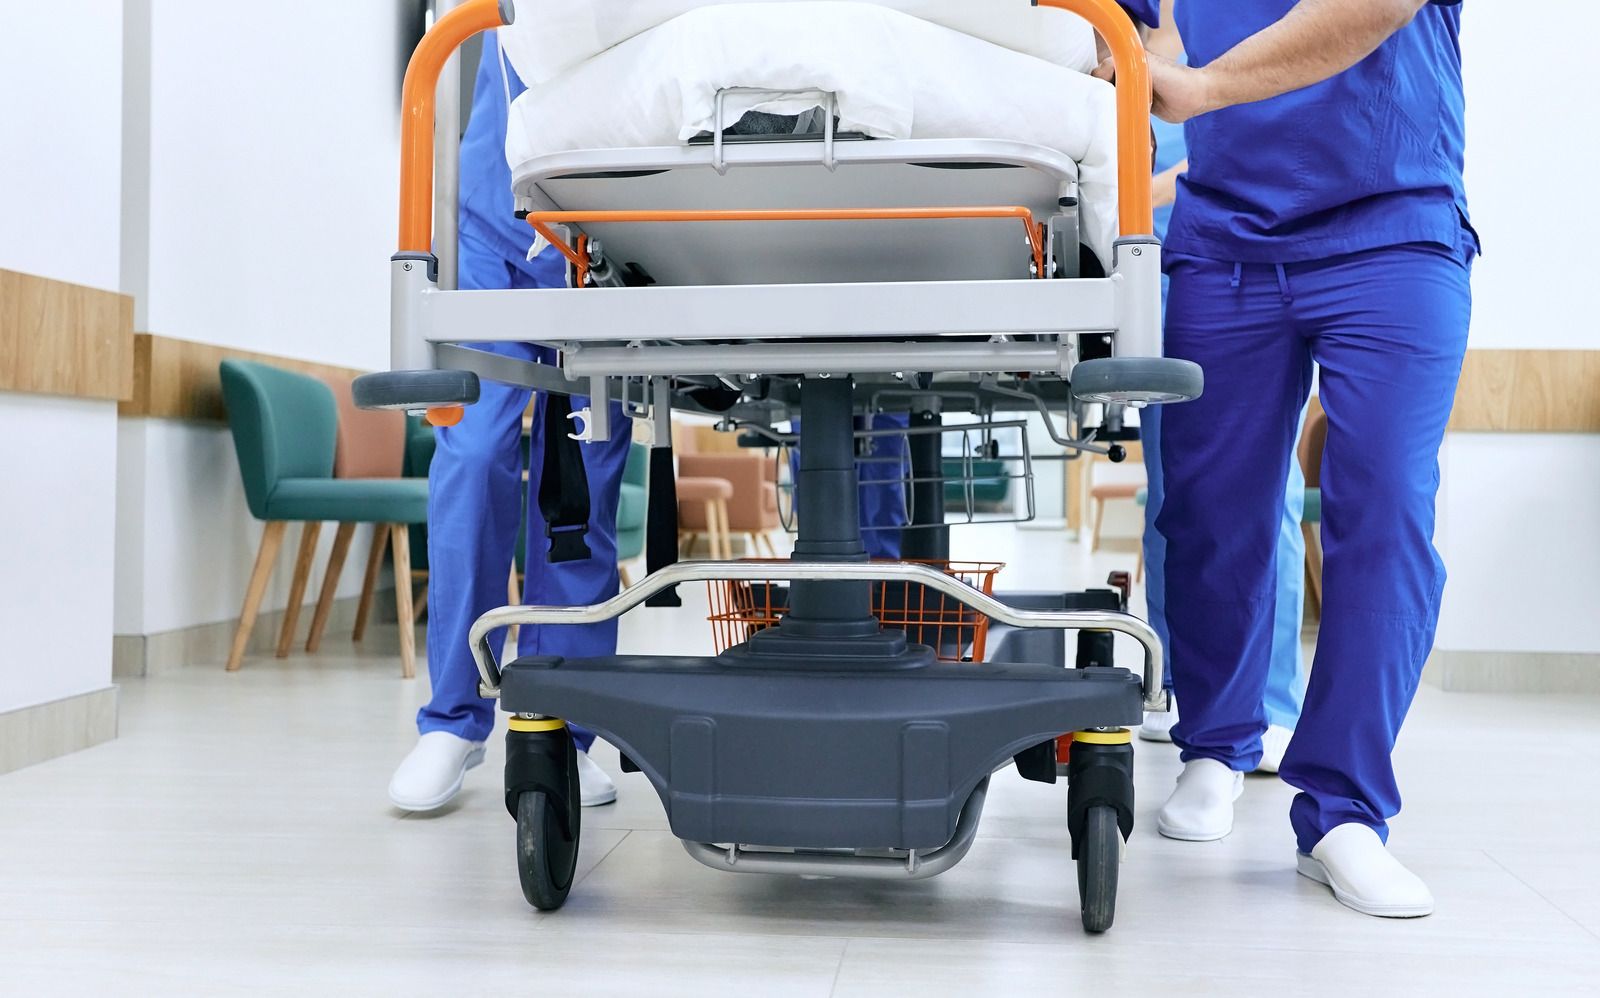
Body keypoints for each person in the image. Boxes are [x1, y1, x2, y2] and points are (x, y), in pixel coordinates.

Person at [1110, 0, 1476, 917]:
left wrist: (1203, 86)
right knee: (1209, 511)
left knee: (1385, 508)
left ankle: (1345, 811)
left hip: (1393, 224)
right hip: (1225, 240)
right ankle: (1215, 745)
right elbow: (1115, 29)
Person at [388, 35, 631, 813]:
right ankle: (453, 722)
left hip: (608, 236)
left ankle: (565, 725)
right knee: (473, 456)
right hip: (495, 221)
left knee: (583, 481)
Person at [1134, 0, 1308, 777]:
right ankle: (1184, 684)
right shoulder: (1125, 42)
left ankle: (1268, 703)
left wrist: (1156, 190)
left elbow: (1259, 136)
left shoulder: (1251, 33)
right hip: (1162, 276)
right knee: (1177, 493)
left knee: (1267, 493)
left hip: (1249, 261)